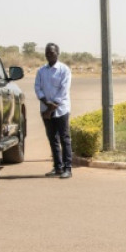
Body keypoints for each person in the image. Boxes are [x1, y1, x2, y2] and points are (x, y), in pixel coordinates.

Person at [34, 42, 73, 179]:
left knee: (64, 138)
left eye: (52, 52)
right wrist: (46, 102)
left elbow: (63, 90)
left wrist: (52, 106)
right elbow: (37, 88)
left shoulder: (64, 70)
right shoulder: (41, 71)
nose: (49, 55)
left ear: (58, 53)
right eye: (47, 53)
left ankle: (68, 168)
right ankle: (57, 167)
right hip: (45, 109)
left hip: (61, 109)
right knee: (52, 139)